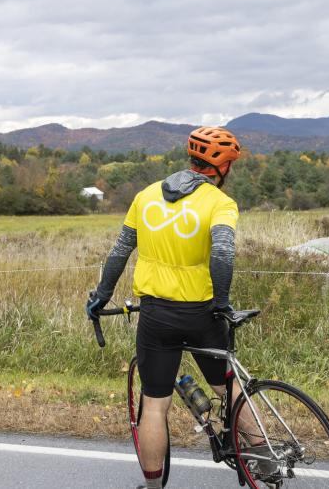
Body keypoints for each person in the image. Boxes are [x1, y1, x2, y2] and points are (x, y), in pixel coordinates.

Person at [85, 126, 249, 489]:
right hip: (202, 313)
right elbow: (222, 254)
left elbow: (119, 252)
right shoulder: (219, 203)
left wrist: (102, 295)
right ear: (221, 167)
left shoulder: (146, 196)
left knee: (155, 405)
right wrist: (222, 303)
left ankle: (154, 485)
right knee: (228, 387)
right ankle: (264, 458)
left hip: (157, 314)